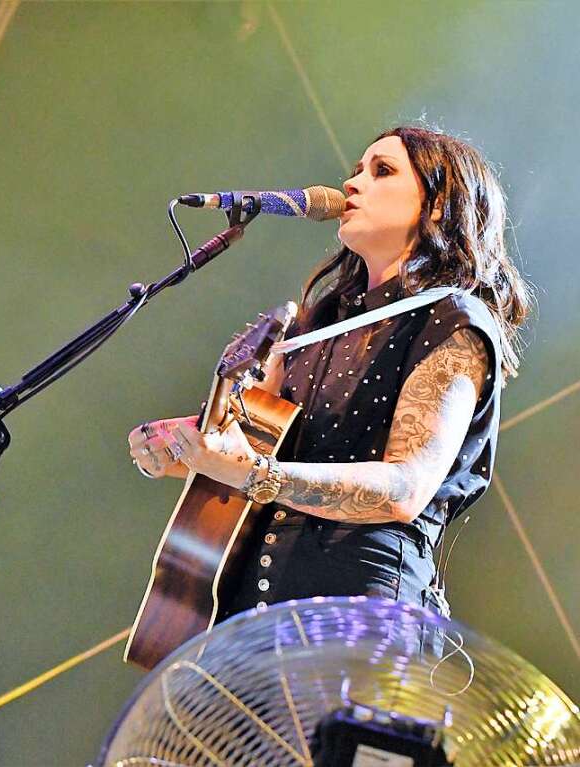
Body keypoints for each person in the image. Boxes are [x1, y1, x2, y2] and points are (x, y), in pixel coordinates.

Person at [128, 126, 530, 618]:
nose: (354, 184)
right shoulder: (313, 329)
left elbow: (406, 487)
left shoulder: (453, 320)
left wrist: (257, 474)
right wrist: (179, 450)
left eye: (381, 171)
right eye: (356, 170)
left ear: (440, 205)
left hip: (360, 614)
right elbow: (241, 454)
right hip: (248, 611)